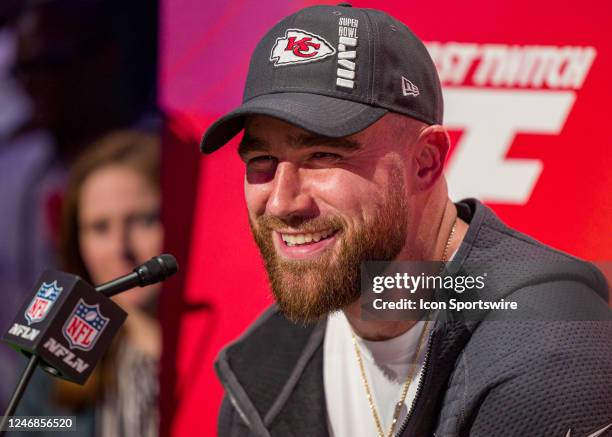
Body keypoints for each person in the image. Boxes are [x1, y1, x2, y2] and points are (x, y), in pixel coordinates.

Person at [198, 4, 612, 437]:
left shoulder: (549, 352)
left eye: (323, 156)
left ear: (425, 162)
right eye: (261, 160)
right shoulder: (263, 372)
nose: (282, 202)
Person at [14, 130, 163, 437]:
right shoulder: (52, 356)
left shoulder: (235, 355)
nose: (120, 247)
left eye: (142, 220)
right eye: (99, 227)